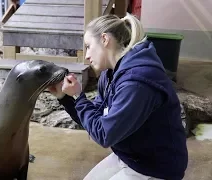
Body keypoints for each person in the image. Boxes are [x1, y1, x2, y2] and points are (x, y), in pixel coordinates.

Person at [48, 13, 188, 180]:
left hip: (156, 166)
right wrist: (65, 98)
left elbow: (104, 135)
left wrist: (78, 96)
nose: (86, 55)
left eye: (88, 46)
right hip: (131, 156)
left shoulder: (136, 83)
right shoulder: (109, 74)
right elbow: (96, 123)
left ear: (105, 39)